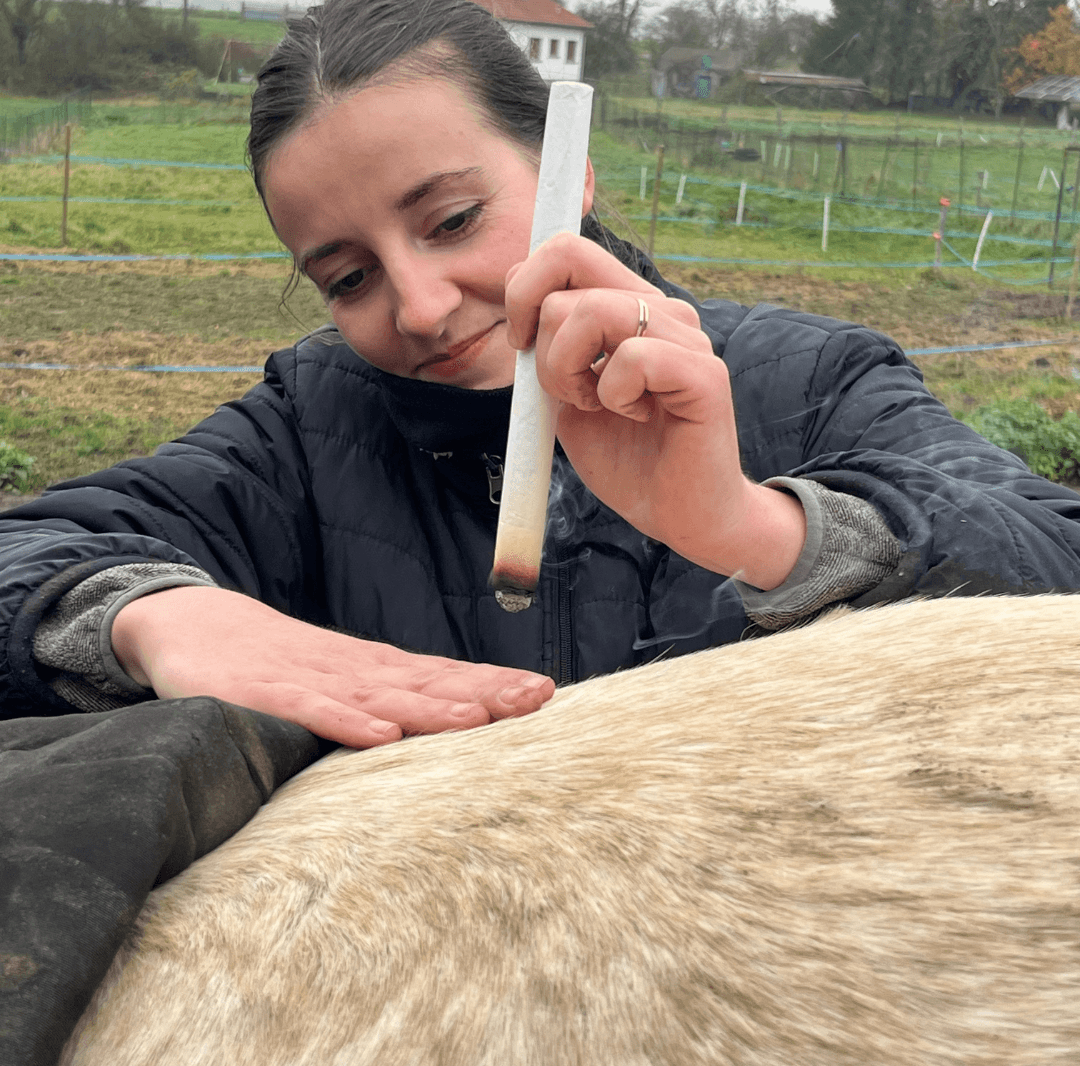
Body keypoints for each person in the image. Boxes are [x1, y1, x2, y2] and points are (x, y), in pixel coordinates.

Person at [2, 0, 1080, 751]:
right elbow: (29, 551)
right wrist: (152, 616)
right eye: (347, 275)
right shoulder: (303, 433)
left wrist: (760, 530)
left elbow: (1054, 555)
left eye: (455, 219)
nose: (420, 304)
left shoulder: (811, 378)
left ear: (574, 172)